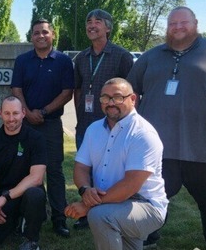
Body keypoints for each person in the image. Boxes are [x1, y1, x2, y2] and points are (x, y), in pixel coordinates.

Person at [127, 6, 206, 249]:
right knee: (150, 198)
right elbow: (130, 91)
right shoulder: (150, 57)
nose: (177, 27)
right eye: (172, 23)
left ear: (195, 23)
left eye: (183, 22)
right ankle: (146, 240)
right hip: (159, 151)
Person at [65, 78, 168, 250]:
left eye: (118, 97)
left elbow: (130, 185)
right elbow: (81, 167)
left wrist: (87, 205)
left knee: (99, 216)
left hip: (146, 206)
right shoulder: (94, 129)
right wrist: (85, 189)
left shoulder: (143, 134)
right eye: (105, 98)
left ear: (133, 99)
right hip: (112, 203)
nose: (111, 103)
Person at [11, 19, 74, 237]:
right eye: (36, 33)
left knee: (54, 172)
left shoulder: (64, 61)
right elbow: (16, 89)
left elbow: (67, 92)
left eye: (45, 32)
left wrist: (44, 112)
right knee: (26, 171)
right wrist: (28, 113)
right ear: (31, 37)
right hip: (26, 124)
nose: (41, 36)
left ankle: (59, 218)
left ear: (52, 35)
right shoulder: (22, 61)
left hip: (51, 124)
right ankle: (34, 214)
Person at [72, 8, 134, 230]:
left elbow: (132, 93)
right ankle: (85, 213)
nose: (91, 25)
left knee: (108, 171)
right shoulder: (81, 58)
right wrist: (80, 114)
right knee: (86, 170)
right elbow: (78, 90)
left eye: (98, 21)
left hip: (113, 127)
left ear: (108, 27)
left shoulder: (122, 56)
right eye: (89, 21)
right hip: (86, 125)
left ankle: (108, 213)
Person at [0, 96, 47, 250]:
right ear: (0, 113)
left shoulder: (36, 139)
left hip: (25, 197)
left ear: (23, 113)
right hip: (4, 201)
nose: (11, 118)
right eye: (7, 113)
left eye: (15, 113)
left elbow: (36, 178)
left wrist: (5, 197)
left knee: (36, 194)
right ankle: (15, 223)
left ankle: (31, 240)